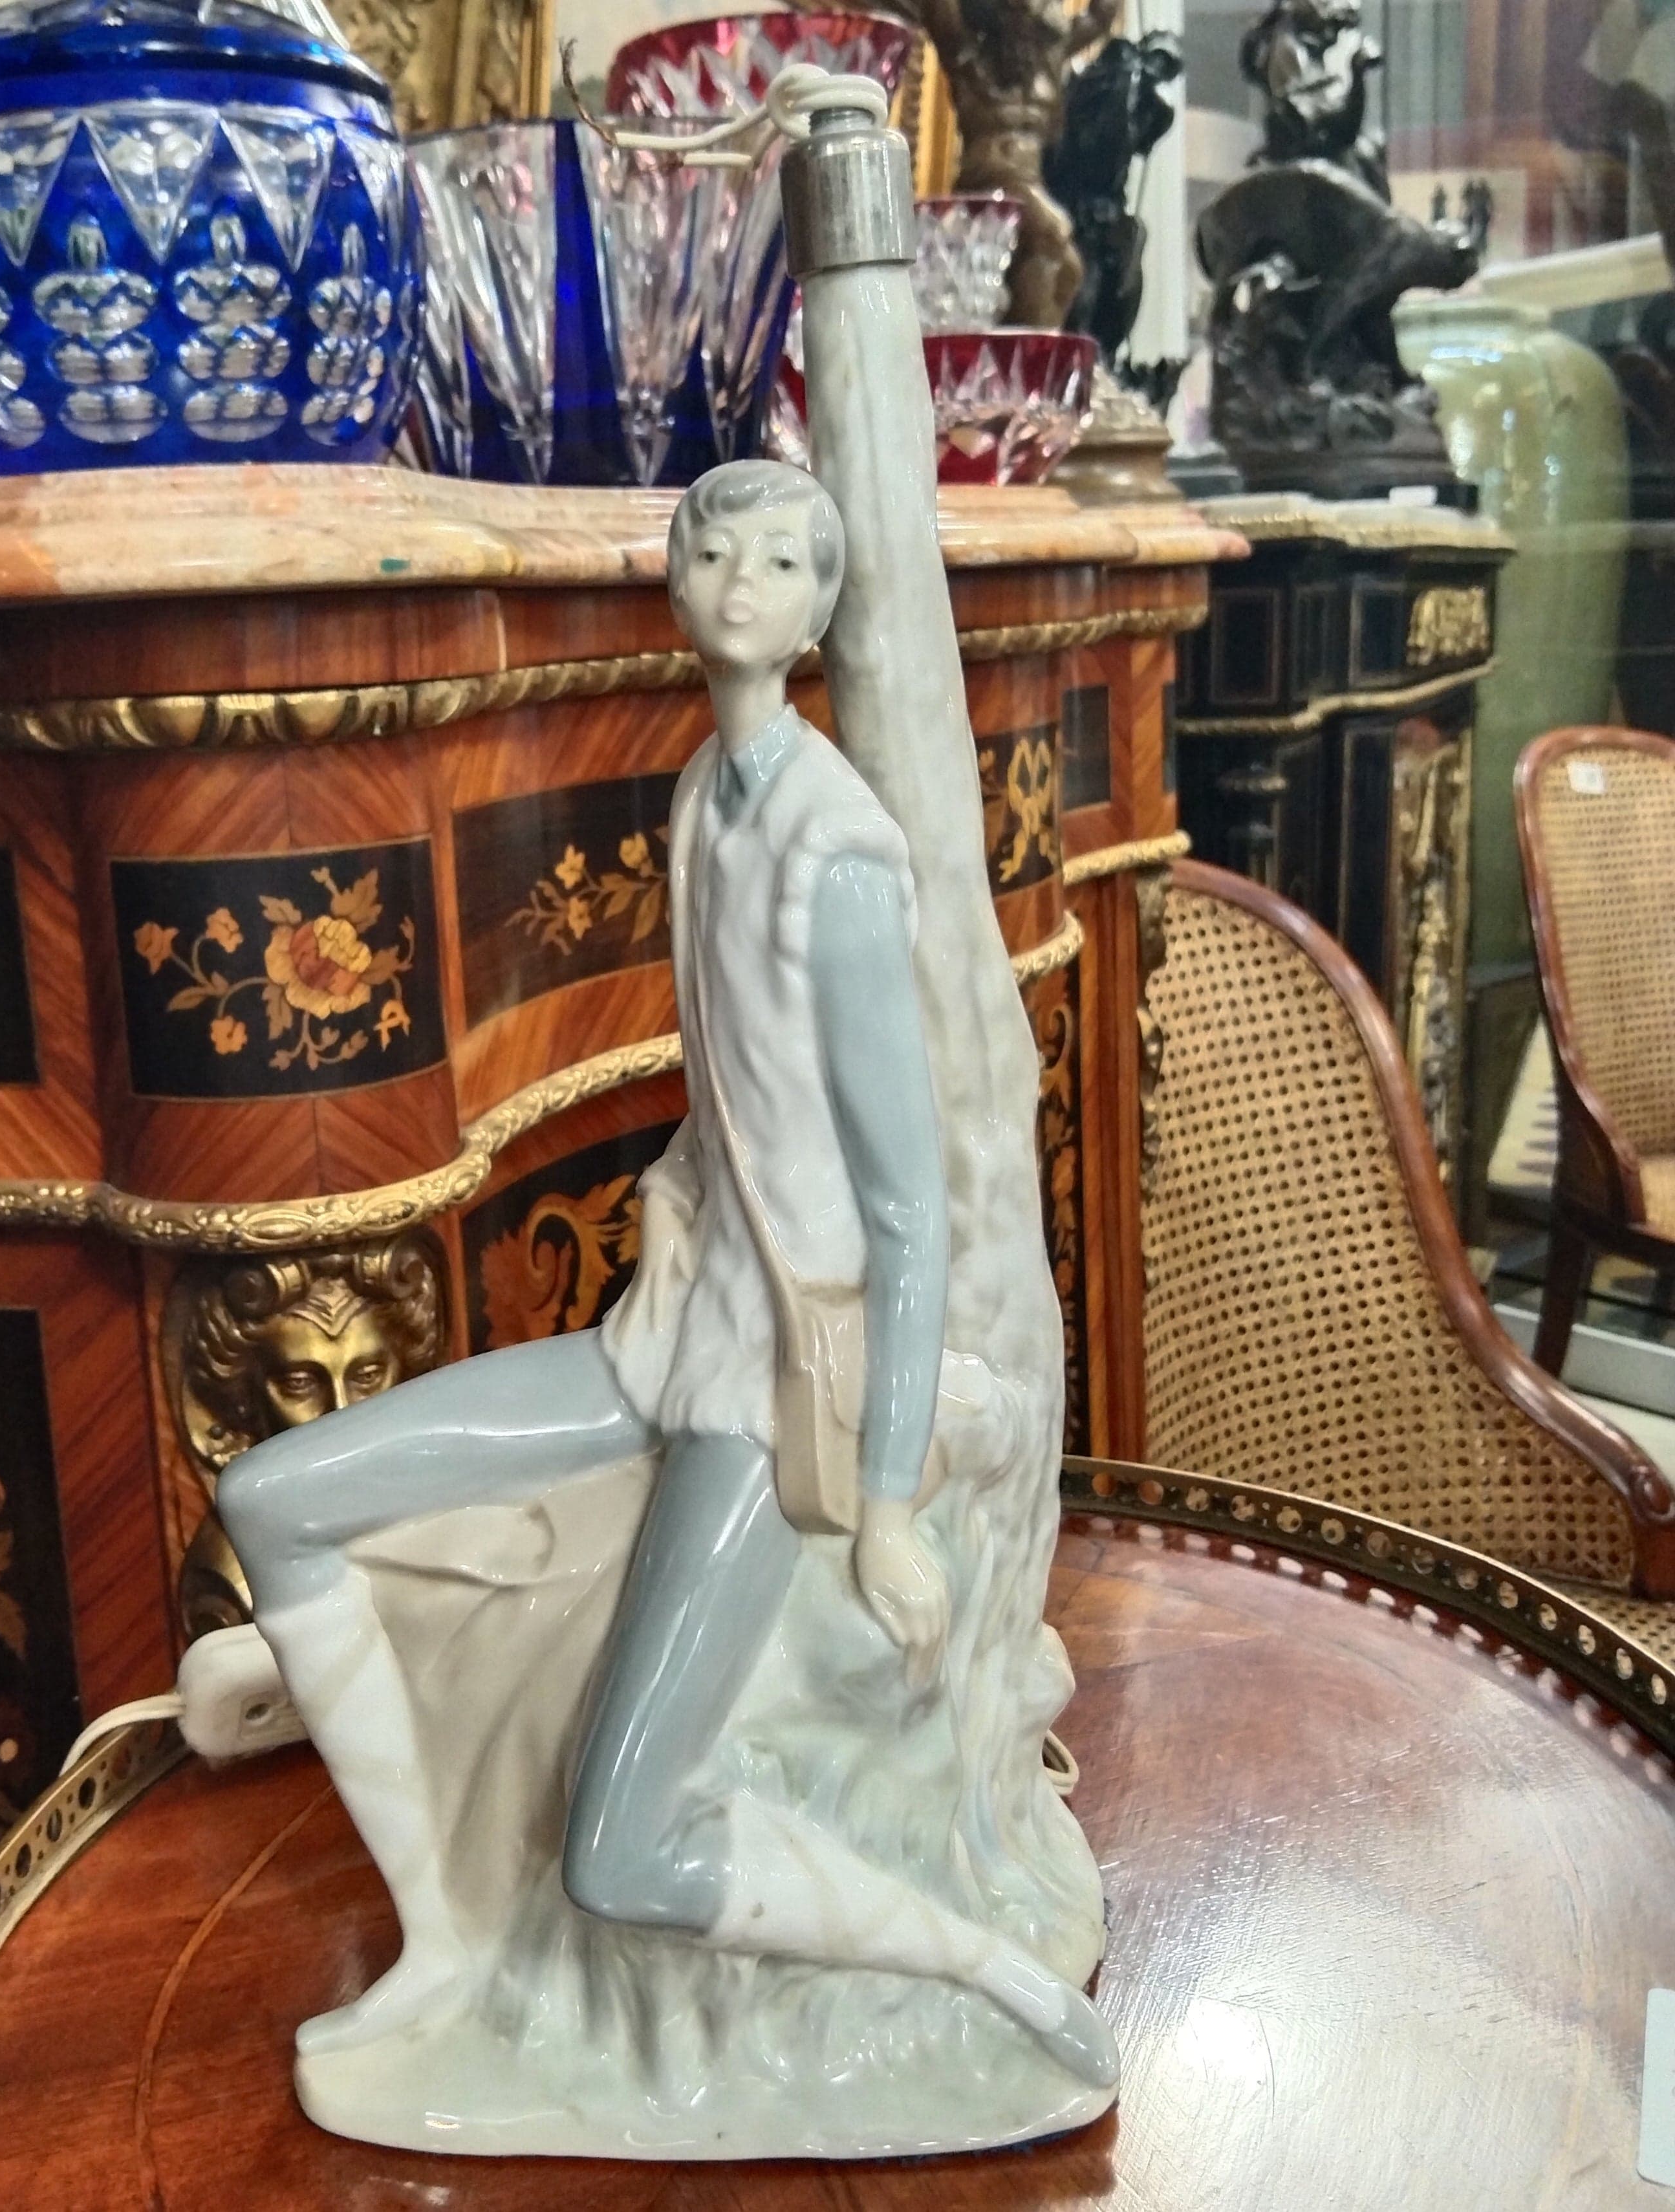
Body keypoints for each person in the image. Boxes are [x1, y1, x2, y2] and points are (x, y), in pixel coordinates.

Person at [174, 457, 1114, 2091]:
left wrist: (888, 1505)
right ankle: (446, 1951)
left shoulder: (836, 850)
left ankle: (981, 1971)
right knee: (274, 1498)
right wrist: (676, 1202)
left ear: (817, 610)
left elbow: (906, 1212)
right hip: (667, 1336)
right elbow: (737, 1106)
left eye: (778, 564)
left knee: (622, 1846)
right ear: (675, 586)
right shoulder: (704, 795)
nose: (740, 586)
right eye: (713, 555)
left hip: (772, 1394)